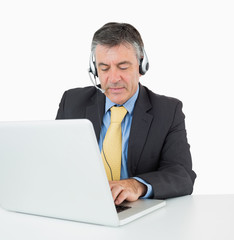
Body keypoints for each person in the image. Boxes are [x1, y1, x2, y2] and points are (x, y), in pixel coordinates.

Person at [56, 22, 196, 205]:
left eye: (123, 67)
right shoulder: (72, 102)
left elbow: (182, 175)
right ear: (94, 68)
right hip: (82, 206)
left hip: (137, 213)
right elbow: (54, 162)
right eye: (104, 68)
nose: (113, 79)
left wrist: (137, 185)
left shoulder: (168, 111)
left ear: (141, 66)